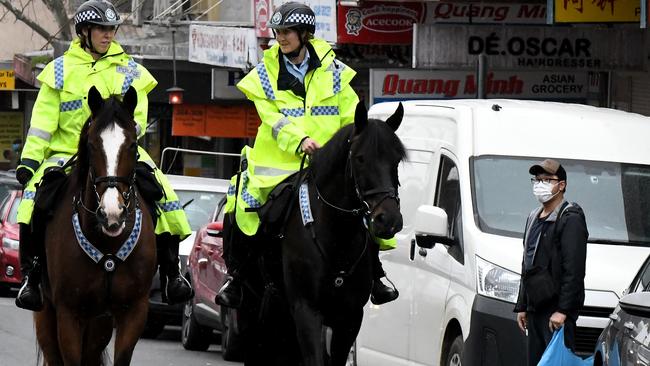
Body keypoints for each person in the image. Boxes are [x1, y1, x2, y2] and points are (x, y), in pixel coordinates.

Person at [215, 2, 398, 309]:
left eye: (286, 32)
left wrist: (345, 147)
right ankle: (238, 276)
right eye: (277, 32)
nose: (280, 38)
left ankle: (375, 275)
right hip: (278, 163)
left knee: (368, 203)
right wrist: (299, 139)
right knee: (241, 206)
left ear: (305, 34)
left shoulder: (336, 72)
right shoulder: (263, 75)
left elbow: (350, 117)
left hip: (330, 163)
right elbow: (271, 118)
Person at [14, 0, 193, 311]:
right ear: (84, 32)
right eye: (101, 29)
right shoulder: (59, 71)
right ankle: (33, 277)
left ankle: (171, 275)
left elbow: (138, 117)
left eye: (112, 29)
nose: (108, 35)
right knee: (33, 201)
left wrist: (119, 135)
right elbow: (42, 123)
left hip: (119, 151)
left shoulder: (132, 71)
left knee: (164, 195)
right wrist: (30, 162)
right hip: (66, 153)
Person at [514, 159, 588, 365]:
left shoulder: (570, 217)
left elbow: (574, 269)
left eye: (547, 180)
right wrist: (523, 305)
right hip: (535, 308)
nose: (540, 185)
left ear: (561, 185)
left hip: (555, 312)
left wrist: (563, 310)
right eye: (537, 180)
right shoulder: (533, 217)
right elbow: (527, 264)